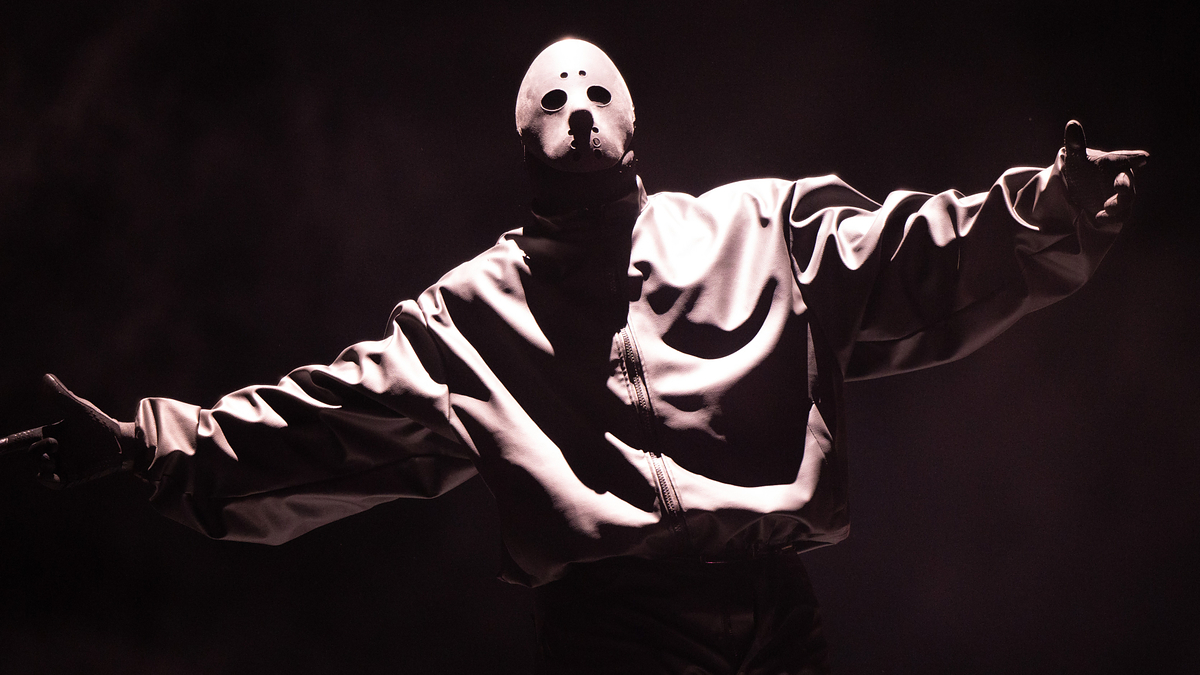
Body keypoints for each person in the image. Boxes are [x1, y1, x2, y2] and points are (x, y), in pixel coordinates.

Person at [0, 38, 1148, 674]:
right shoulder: (472, 314)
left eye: (599, 85)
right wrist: (158, 445)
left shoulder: (758, 228)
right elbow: (329, 418)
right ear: (524, 136)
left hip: (778, 610)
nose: (579, 100)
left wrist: (1047, 213)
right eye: (553, 92)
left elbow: (916, 250)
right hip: (624, 634)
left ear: (636, 124)